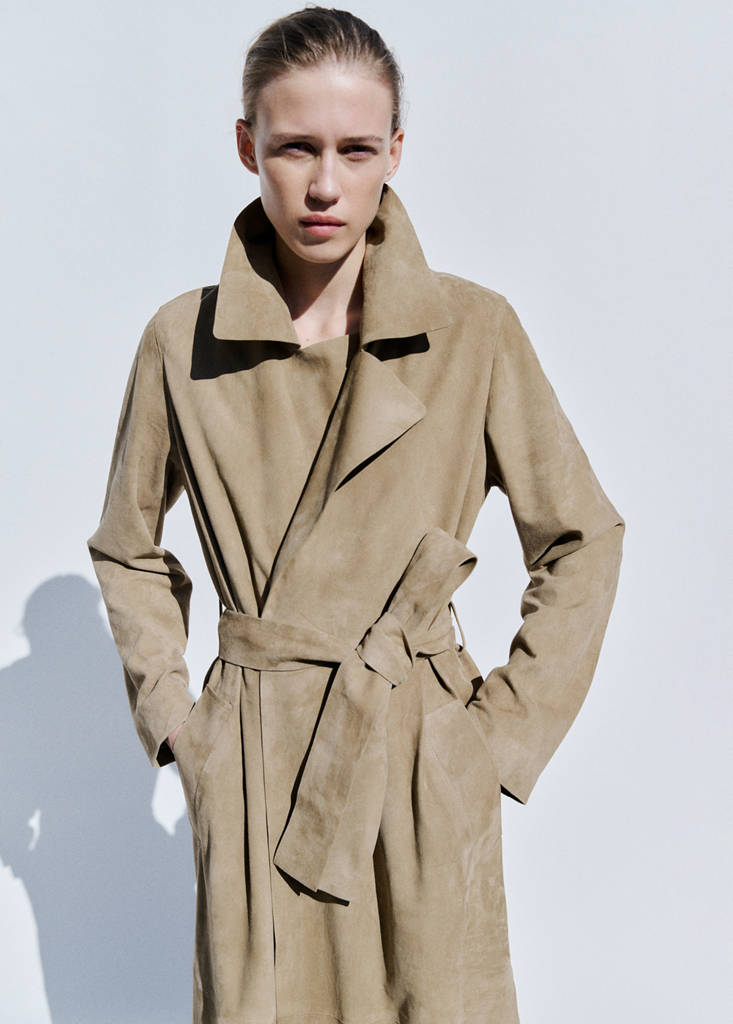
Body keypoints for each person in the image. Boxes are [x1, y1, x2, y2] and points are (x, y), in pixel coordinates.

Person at [87, 7, 625, 1023]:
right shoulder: (180, 341)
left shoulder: (473, 331)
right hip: (257, 756)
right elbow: (127, 547)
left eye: (355, 149)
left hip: (416, 753)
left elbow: (582, 536)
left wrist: (493, 739)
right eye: (295, 147)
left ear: (396, 153)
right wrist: (183, 728)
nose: (325, 184)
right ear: (246, 145)